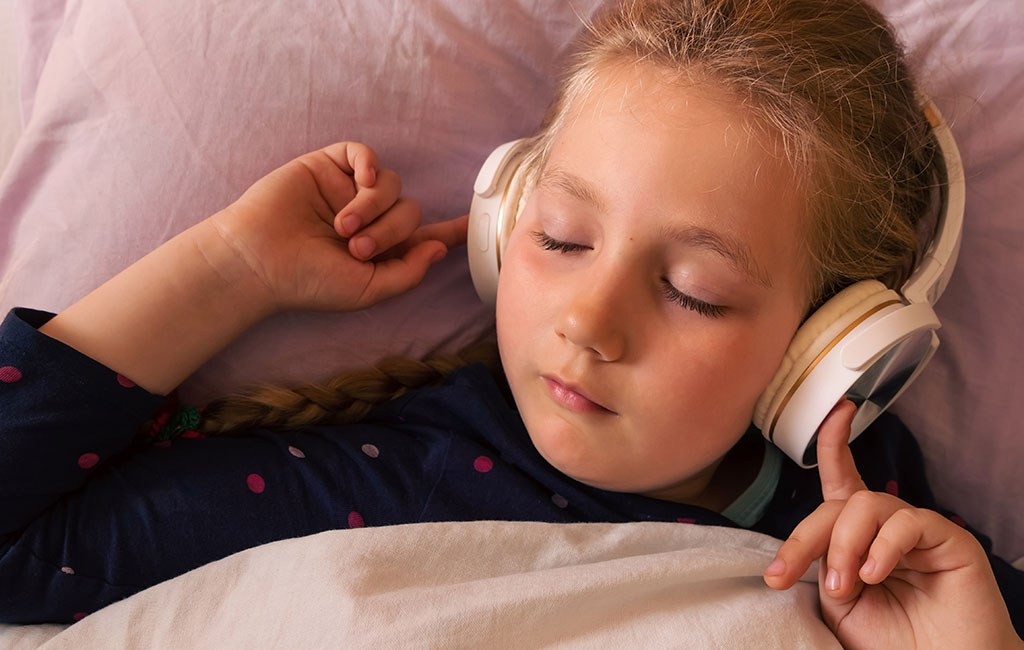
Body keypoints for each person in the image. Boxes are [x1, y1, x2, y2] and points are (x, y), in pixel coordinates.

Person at [0, 0, 1021, 645]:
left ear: (828, 343)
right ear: (502, 217)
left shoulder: (912, 556)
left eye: (692, 290)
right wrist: (230, 269)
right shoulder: (372, 484)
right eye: (564, 236)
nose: (586, 318)